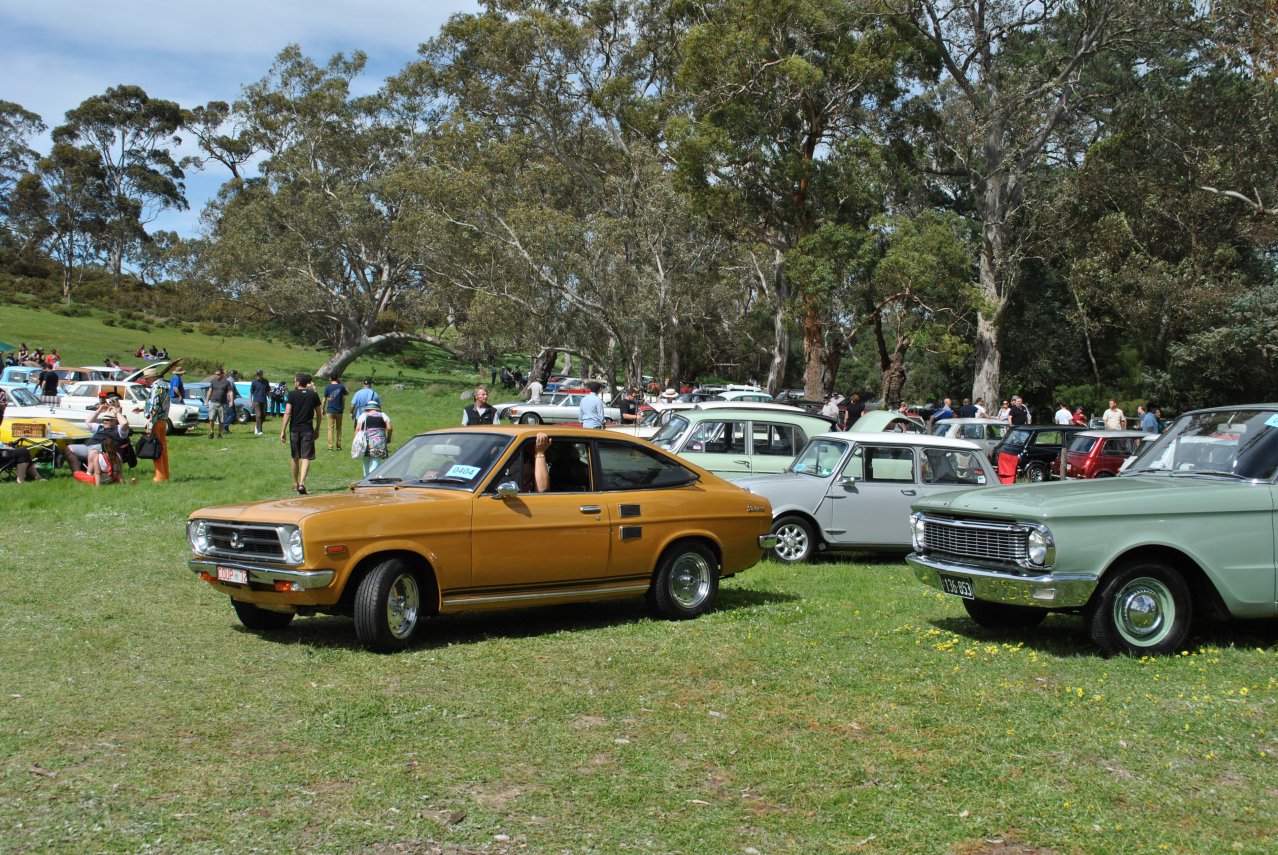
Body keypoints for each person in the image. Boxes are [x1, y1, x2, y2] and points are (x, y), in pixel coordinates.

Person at [280, 372, 322, 494]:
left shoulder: (292, 395)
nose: (294, 383)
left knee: (295, 456)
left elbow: (287, 412)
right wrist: (317, 428)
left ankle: (295, 483)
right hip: (308, 429)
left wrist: (283, 430)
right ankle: (302, 483)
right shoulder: (313, 395)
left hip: (294, 429)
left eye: (294, 381)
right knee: (305, 457)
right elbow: (319, 414)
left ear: (298, 382)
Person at [65, 401, 130, 472]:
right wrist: (99, 410)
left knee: (94, 451)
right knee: (69, 449)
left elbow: (125, 423)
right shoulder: (100, 427)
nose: (104, 421)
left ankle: (89, 474)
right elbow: (88, 421)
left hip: (103, 451)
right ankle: (77, 473)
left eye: (107, 420)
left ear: (115, 421)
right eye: (104, 419)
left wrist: (117, 413)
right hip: (88, 447)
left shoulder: (119, 430)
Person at [144, 369, 172, 482]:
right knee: (163, 448)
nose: (146, 380)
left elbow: (155, 405)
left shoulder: (156, 387)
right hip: (163, 420)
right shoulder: (164, 385)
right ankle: (165, 474)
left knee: (156, 448)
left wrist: (150, 422)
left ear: (153, 377)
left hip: (156, 420)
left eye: (147, 378)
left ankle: (159, 476)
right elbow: (161, 403)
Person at [354, 401, 394, 477]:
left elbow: (358, 428)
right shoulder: (383, 415)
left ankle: (366, 479)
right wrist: (388, 438)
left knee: (366, 462)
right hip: (379, 442)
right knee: (376, 460)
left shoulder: (363, 415)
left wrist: (356, 440)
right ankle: (372, 478)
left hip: (365, 441)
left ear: (368, 408)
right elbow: (389, 428)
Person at [205, 368, 235, 439]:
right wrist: (206, 400)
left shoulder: (227, 382)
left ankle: (219, 433)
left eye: (218, 374)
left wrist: (231, 401)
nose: (217, 376)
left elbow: (230, 392)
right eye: (216, 374)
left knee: (221, 420)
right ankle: (212, 432)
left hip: (222, 403)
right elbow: (210, 391)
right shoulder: (213, 382)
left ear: (222, 374)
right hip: (213, 402)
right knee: (211, 418)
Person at [323, 374, 349, 451]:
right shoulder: (341, 386)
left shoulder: (327, 387)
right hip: (339, 410)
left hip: (330, 410)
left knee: (330, 428)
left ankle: (330, 447)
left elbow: (324, 399)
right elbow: (347, 392)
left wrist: (322, 409)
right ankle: (338, 445)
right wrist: (341, 382)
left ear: (330, 378)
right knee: (339, 428)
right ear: (337, 378)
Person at [249, 370, 271, 435]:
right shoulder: (254, 382)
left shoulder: (266, 382)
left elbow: (268, 391)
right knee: (258, 415)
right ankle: (260, 430)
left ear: (262, 374)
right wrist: (250, 401)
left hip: (264, 400)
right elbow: (251, 392)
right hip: (256, 401)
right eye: (258, 374)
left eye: (260, 374)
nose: (258, 375)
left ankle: (257, 426)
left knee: (263, 416)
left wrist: (270, 401)